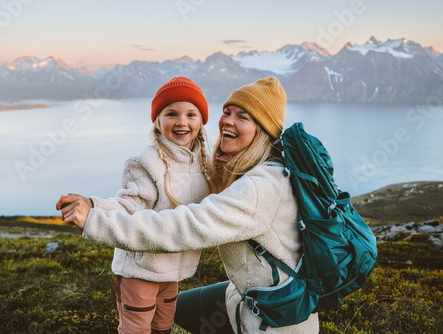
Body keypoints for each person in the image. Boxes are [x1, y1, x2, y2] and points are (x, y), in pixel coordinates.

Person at [57, 77, 319, 333]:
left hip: (273, 318)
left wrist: (95, 219)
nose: (227, 120)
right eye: (228, 111)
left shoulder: (259, 187)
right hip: (243, 296)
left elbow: (187, 226)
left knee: (168, 313)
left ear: (262, 129)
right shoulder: (246, 167)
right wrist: (94, 204)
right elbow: (129, 203)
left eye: (243, 117)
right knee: (170, 312)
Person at [61, 76, 212, 334]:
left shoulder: (205, 163)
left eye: (191, 114)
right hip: (140, 269)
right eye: (171, 114)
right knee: (136, 330)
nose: (182, 122)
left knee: (163, 327)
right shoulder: (146, 162)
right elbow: (127, 207)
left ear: (201, 120)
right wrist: (91, 205)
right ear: (158, 120)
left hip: (171, 271)